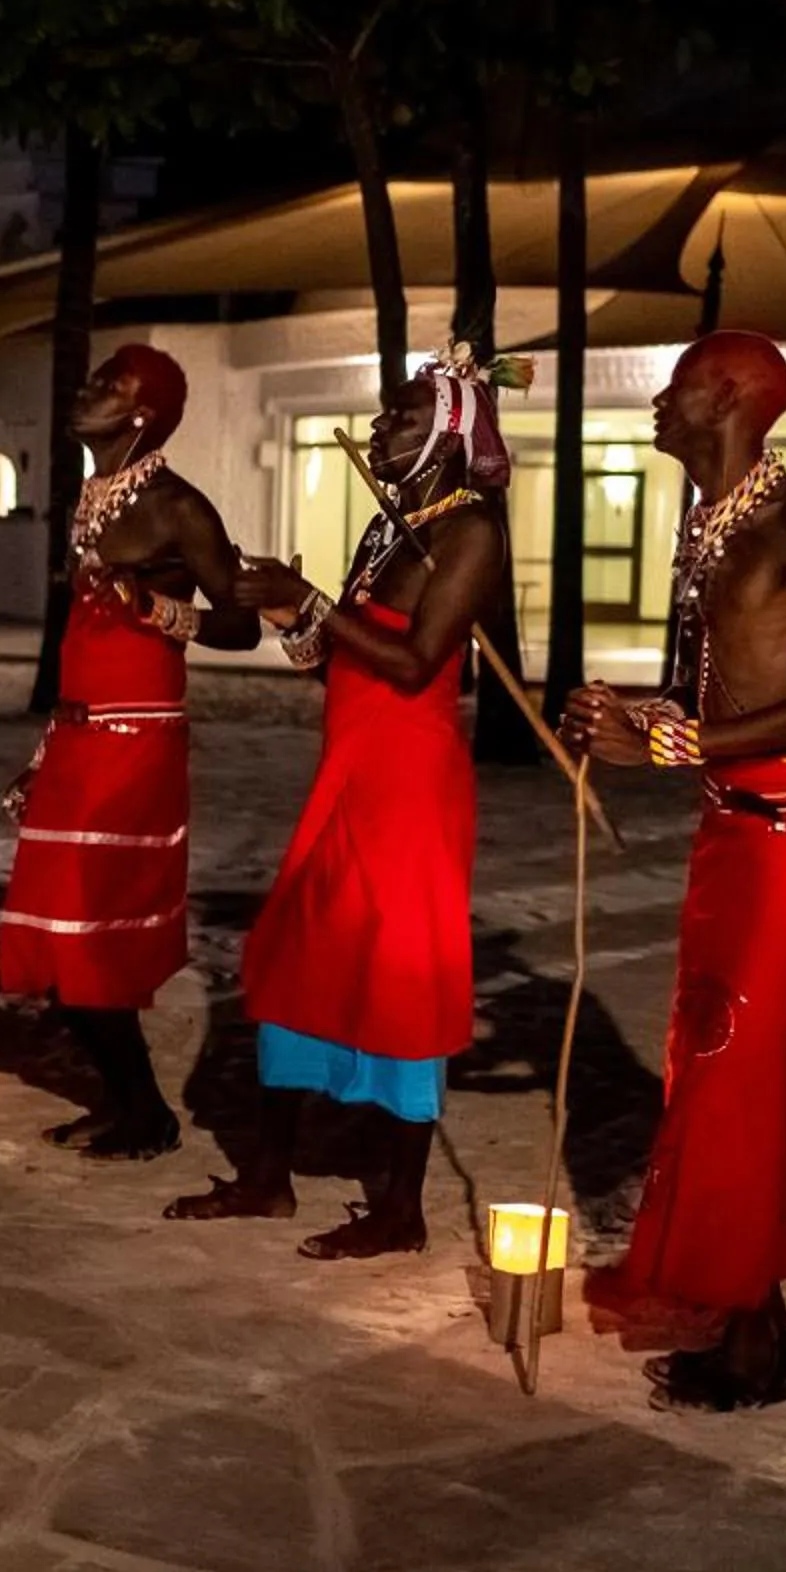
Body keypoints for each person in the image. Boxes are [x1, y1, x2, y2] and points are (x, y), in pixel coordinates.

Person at [563, 330, 786, 1411]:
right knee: (712, 1061)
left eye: (679, 384)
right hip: (732, 828)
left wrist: (668, 742)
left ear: (732, 396)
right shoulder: (706, 522)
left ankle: (753, 1340)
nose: (658, 401)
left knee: (748, 1072)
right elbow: (718, 693)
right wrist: (634, 713)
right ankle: (757, 1317)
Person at [167, 344, 516, 1257]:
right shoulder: (390, 524)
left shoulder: (469, 530)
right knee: (296, 951)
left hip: (409, 781)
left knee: (401, 974)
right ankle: (268, 1178)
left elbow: (413, 662)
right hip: (351, 767)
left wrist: (311, 598)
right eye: (382, 413)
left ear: (448, 427)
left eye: (400, 414)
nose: (377, 426)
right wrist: (289, 613)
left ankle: (402, 1207)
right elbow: (334, 660)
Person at [0, 345, 257, 1159]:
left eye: (113, 385)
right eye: (97, 375)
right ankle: (126, 1103)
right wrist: (44, 753)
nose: (92, 388)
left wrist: (154, 607)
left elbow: (242, 624)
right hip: (76, 741)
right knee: (54, 941)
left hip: (136, 748)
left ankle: (147, 1112)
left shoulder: (180, 508)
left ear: (144, 415)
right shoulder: (94, 498)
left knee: (94, 938)